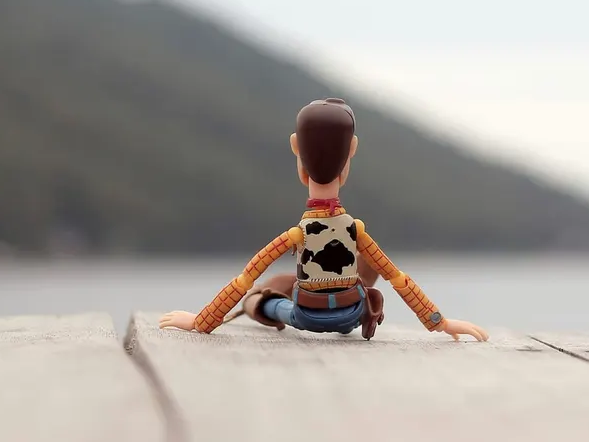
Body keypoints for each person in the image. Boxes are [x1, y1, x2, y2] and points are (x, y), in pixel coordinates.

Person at [157, 98, 489, 342]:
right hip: (353, 314)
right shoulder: (355, 229)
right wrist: (439, 322)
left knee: (258, 295)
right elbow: (397, 278)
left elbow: (245, 277)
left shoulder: (297, 234)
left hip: (306, 317)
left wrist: (201, 322)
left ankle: (263, 305)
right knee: (363, 266)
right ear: (351, 154)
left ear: (296, 152)